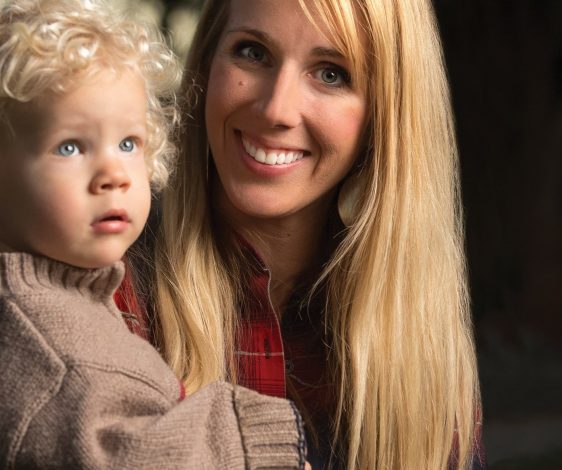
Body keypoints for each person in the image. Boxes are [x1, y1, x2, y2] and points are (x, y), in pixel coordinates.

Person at [0, 1, 308, 468]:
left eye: (127, 144)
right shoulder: (59, 354)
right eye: (70, 146)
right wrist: (258, 441)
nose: (113, 175)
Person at [129, 0, 485, 468]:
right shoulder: (105, 286)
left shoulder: (419, 346)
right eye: (252, 52)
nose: (277, 109)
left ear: (385, 118)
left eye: (331, 74)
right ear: (205, 65)